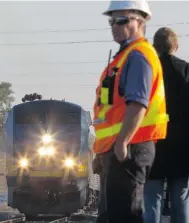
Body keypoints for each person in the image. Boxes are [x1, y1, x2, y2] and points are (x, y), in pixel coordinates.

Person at [92, 0, 169, 222]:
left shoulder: (138, 56)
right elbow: (109, 112)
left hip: (130, 148)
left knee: (124, 216)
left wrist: (122, 142)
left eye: (122, 20)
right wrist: (101, 151)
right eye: (112, 21)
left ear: (141, 21)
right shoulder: (122, 58)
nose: (115, 26)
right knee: (111, 216)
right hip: (117, 149)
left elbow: (138, 104)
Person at [144, 27, 189, 223]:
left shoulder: (147, 71)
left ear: (154, 47)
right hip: (182, 147)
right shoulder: (186, 70)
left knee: (152, 198)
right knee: (180, 199)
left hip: (152, 145)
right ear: (176, 47)